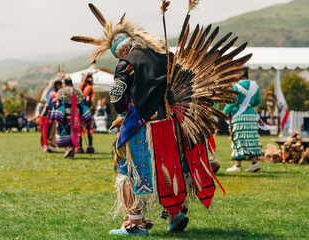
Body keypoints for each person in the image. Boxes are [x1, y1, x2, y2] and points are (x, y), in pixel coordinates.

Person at [72, 2, 250, 236]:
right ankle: (176, 215)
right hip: (172, 126)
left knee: (128, 171)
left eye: (116, 55)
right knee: (170, 170)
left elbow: (116, 99)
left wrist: (125, 111)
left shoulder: (126, 64)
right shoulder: (166, 56)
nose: (118, 58)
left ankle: (135, 223)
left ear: (122, 51)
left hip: (142, 127)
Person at [224, 70, 263, 172]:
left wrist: (225, 111)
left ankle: (238, 166)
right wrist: (249, 106)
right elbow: (258, 101)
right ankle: (254, 163)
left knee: (239, 139)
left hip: (240, 117)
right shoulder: (255, 86)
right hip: (251, 116)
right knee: (252, 139)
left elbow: (232, 103)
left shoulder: (236, 87)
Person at [51, 76, 91, 158]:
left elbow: (57, 103)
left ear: (65, 83)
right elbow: (83, 104)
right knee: (74, 132)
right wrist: (85, 116)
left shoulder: (62, 91)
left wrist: (55, 114)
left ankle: (68, 149)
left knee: (65, 132)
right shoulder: (78, 92)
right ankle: (72, 151)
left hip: (64, 116)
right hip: (76, 116)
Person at [39, 79, 62, 152]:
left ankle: (49, 145)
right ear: (58, 86)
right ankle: (48, 145)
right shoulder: (53, 93)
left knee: (50, 131)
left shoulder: (51, 92)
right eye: (61, 86)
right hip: (49, 115)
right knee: (49, 131)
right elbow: (49, 103)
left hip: (51, 114)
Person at [77, 73, 95, 154]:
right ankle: (90, 146)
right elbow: (89, 101)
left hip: (80, 111)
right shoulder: (89, 88)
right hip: (86, 110)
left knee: (80, 129)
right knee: (88, 128)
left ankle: (80, 147)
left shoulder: (81, 88)